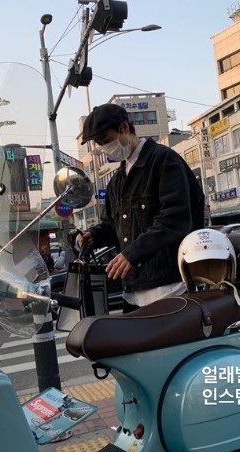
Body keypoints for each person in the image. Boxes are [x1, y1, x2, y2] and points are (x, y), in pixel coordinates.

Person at [78, 103, 206, 313]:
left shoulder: (164, 161)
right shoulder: (117, 180)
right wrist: (94, 235)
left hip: (171, 287)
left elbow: (175, 220)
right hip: (133, 292)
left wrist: (132, 254)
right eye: (99, 144)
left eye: (106, 141)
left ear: (124, 128)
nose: (104, 148)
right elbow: (114, 225)